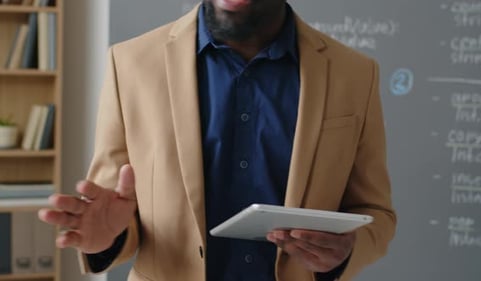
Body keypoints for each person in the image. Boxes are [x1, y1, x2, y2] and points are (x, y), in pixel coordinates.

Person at [39, 0, 396, 280]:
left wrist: (346, 252)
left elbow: (375, 213)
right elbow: (116, 206)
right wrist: (108, 237)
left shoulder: (356, 74)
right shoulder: (129, 64)